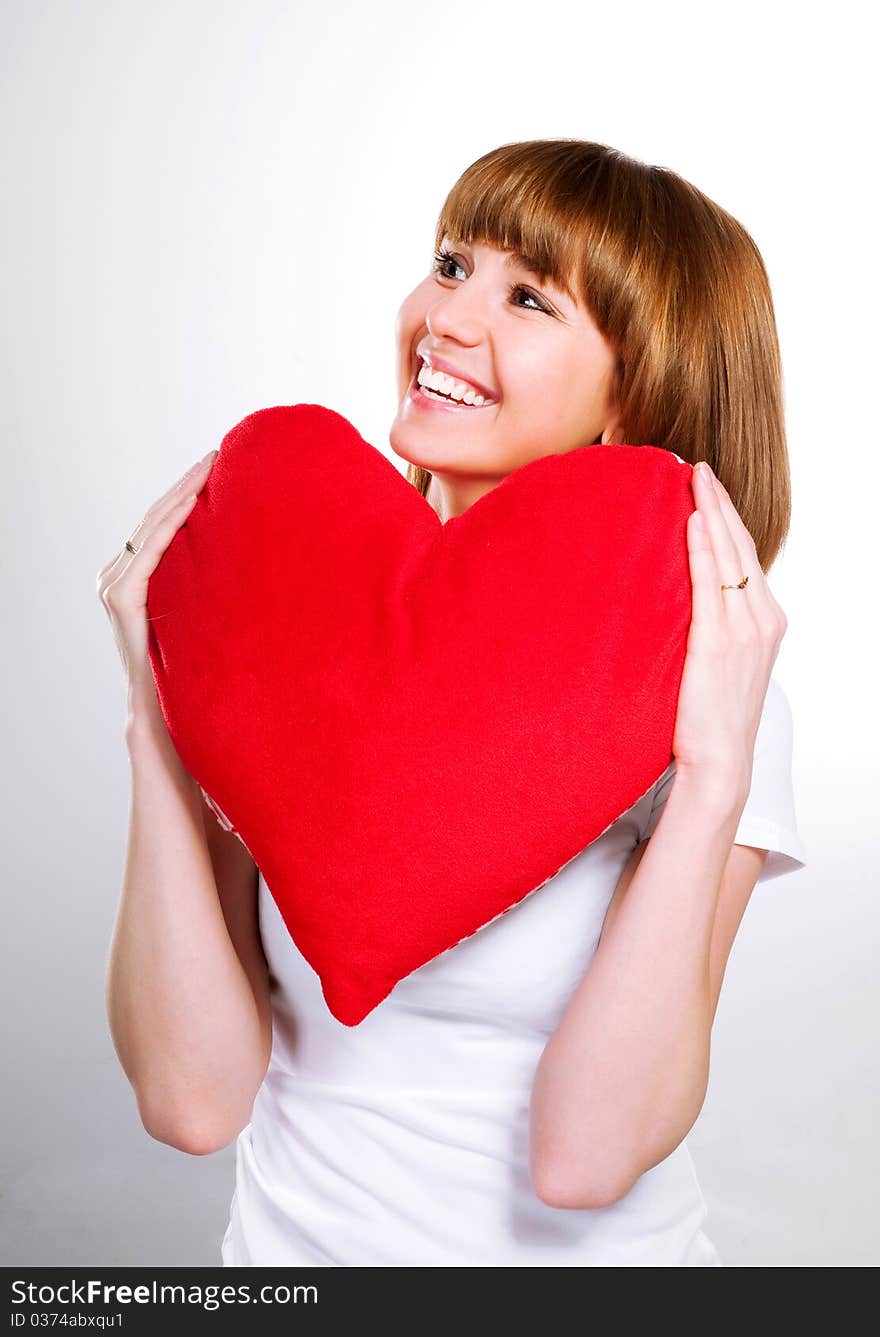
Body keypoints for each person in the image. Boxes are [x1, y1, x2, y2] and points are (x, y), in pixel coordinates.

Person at [98, 139, 808, 1267]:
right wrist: (155, 709)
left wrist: (715, 769)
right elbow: (191, 1099)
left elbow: (586, 1155)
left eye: (526, 296)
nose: (448, 314)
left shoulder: (706, 690)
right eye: (450, 261)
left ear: (635, 395)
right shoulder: (277, 627)